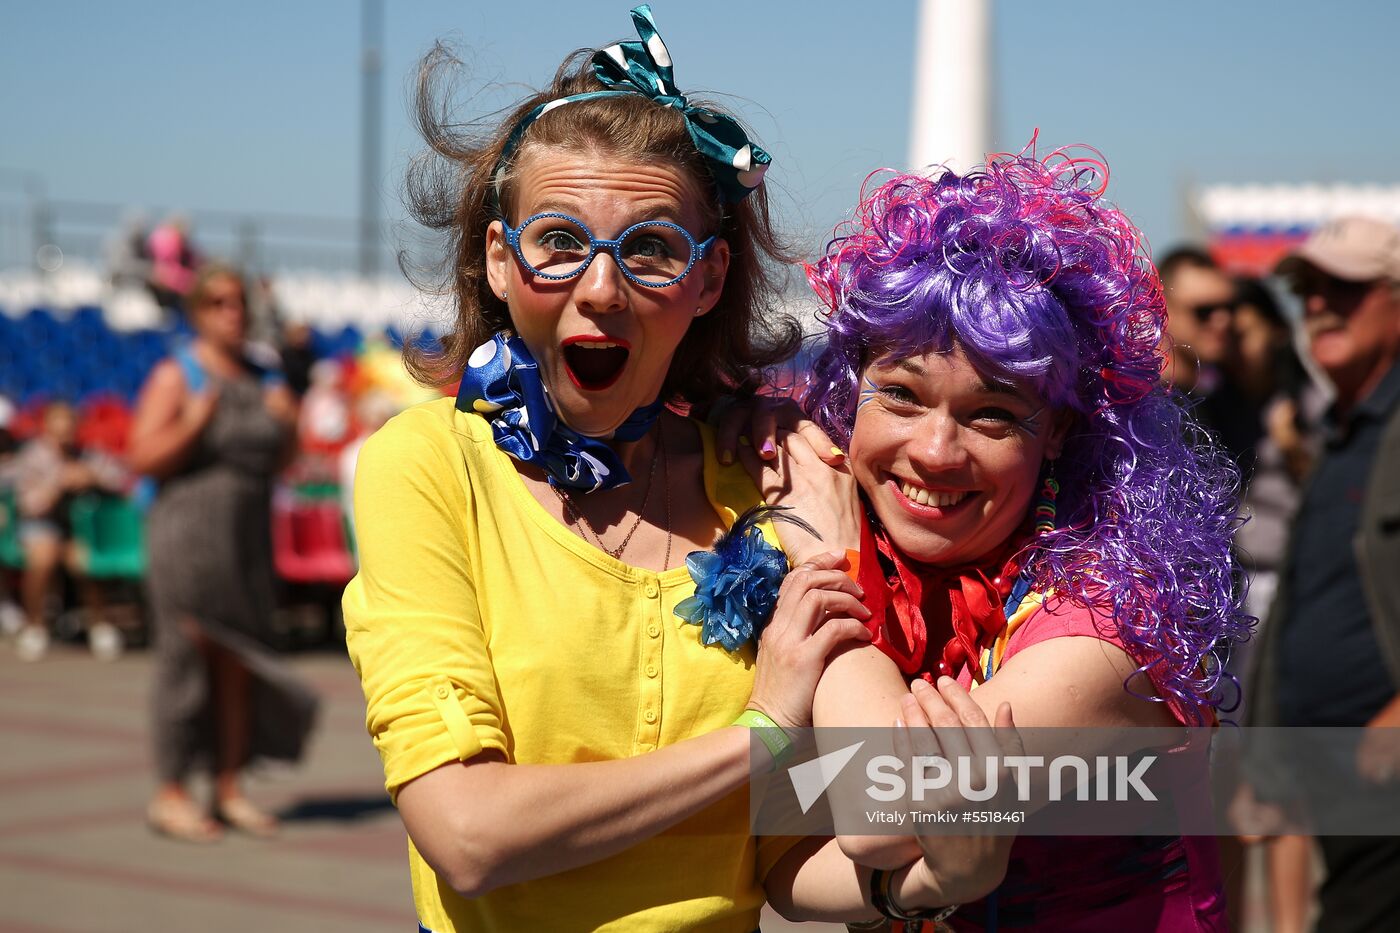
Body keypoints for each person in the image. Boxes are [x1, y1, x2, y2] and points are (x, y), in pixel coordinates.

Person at [343, 8, 1014, 931]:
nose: (602, 288)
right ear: (500, 261)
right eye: (559, 241)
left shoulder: (761, 478)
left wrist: (927, 882)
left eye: (651, 249)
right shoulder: (425, 468)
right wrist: (762, 738)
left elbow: (782, 857)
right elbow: (466, 833)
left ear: (709, 278)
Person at [727, 145, 1250, 930]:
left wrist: (826, 556)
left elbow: (873, 809)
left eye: (993, 413)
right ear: (848, 392)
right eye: (900, 395)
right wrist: (921, 885)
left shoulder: (1109, 620)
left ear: (1063, 435)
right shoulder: (875, 560)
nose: (936, 451)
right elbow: (785, 861)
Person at [1244, 216, 1400, 933]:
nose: (1318, 304)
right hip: (1331, 779)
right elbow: (1307, 598)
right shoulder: (1341, 429)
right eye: (1307, 288)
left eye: (1346, 286)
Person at [127, 262, 317, 844]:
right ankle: (172, 791)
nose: (232, 314)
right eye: (218, 304)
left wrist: (288, 427)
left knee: (242, 664)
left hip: (246, 536)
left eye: (238, 303)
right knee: (186, 661)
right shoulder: (176, 375)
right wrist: (193, 422)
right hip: (187, 534)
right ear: (197, 312)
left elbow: (285, 462)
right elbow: (141, 457)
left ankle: (228, 788)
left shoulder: (263, 375)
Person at [9, 400, 128, 662]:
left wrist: (92, 476)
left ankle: (98, 625)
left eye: (69, 426)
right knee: (44, 557)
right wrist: (58, 483)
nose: (64, 432)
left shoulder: (87, 454)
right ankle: (35, 625)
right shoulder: (32, 456)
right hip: (40, 525)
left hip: (77, 529)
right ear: (46, 427)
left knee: (85, 561)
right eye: (58, 426)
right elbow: (28, 504)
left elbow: (121, 477)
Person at [1157, 246, 1262, 473]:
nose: (1222, 321)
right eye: (1204, 311)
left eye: (1230, 308)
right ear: (1162, 308)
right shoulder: (1137, 409)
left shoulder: (1228, 401)